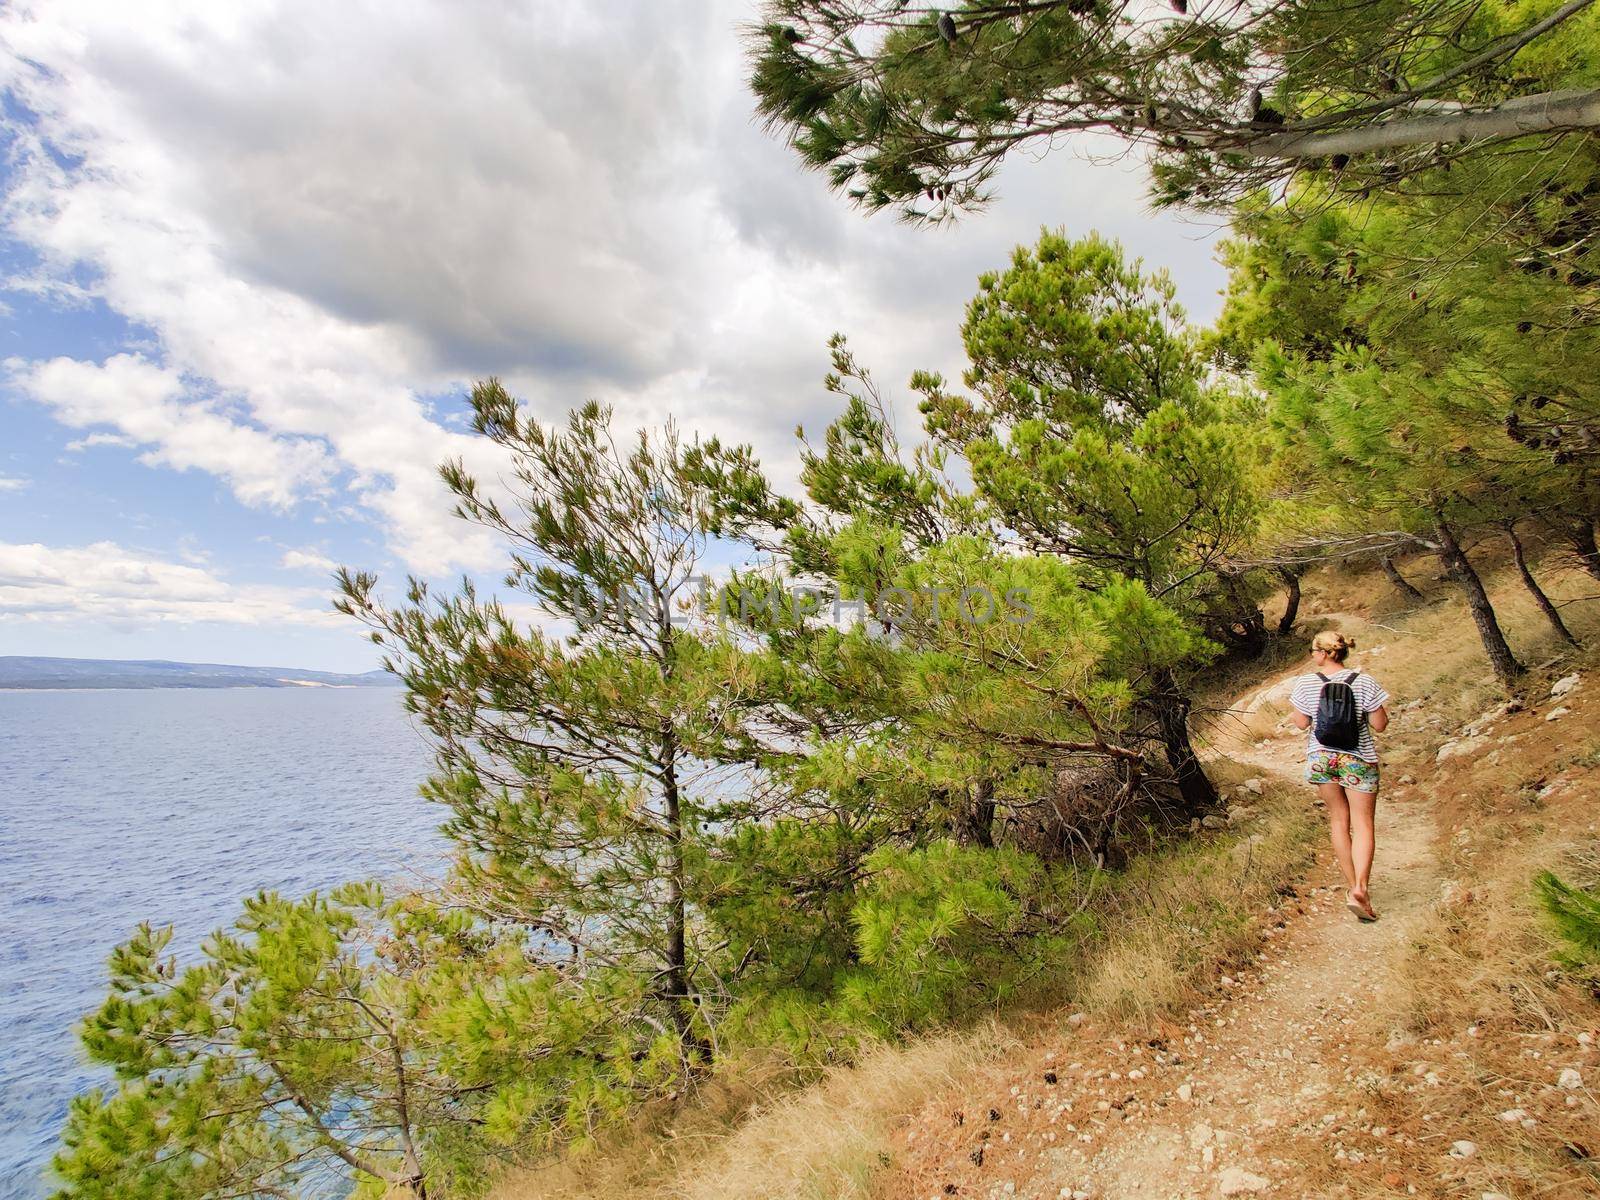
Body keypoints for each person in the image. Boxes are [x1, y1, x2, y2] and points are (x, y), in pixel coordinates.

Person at [1289, 630, 1391, 922]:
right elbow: (1380, 724)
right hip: (1359, 758)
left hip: (1322, 759)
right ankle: (1361, 887)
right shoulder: (1365, 681)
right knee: (1363, 824)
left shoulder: (1306, 683)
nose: (1312, 655)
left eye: (1313, 651)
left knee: (1338, 820)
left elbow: (1300, 723)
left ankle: (1353, 888)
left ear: (1322, 654)